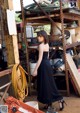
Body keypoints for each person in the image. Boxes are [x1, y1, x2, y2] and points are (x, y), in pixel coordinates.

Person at [32, 30, 65, 112]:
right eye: (38, 36)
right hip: (47, 65)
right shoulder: (47, 45)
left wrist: (35, 70)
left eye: (40, 36)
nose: (38, 37)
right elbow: (47, 57)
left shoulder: (41, 46)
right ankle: (50, 102)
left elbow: (39, 59)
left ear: (44, 37)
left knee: (45, 84)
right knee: (48, 84)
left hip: (43, 65)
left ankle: (58, 99)